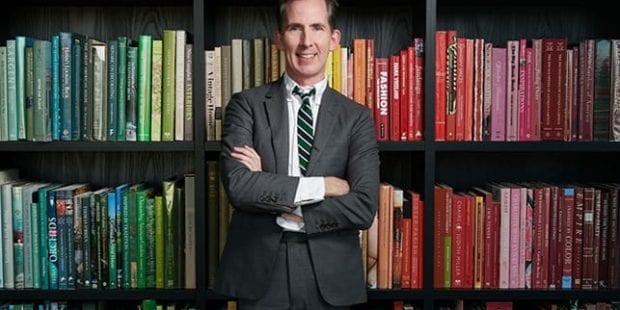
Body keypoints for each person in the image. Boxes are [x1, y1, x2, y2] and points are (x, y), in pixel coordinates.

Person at [214, 0, 380, 308]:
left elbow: (364, 207)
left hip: (332, 274)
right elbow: (238, 187)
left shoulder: (356, 117)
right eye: (295, 28)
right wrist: (326, 186)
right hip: (260, 271)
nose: (306, 42)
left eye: (317, 27)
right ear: (279, 38)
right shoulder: (245, 105)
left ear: (334, 39)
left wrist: (269, 186)